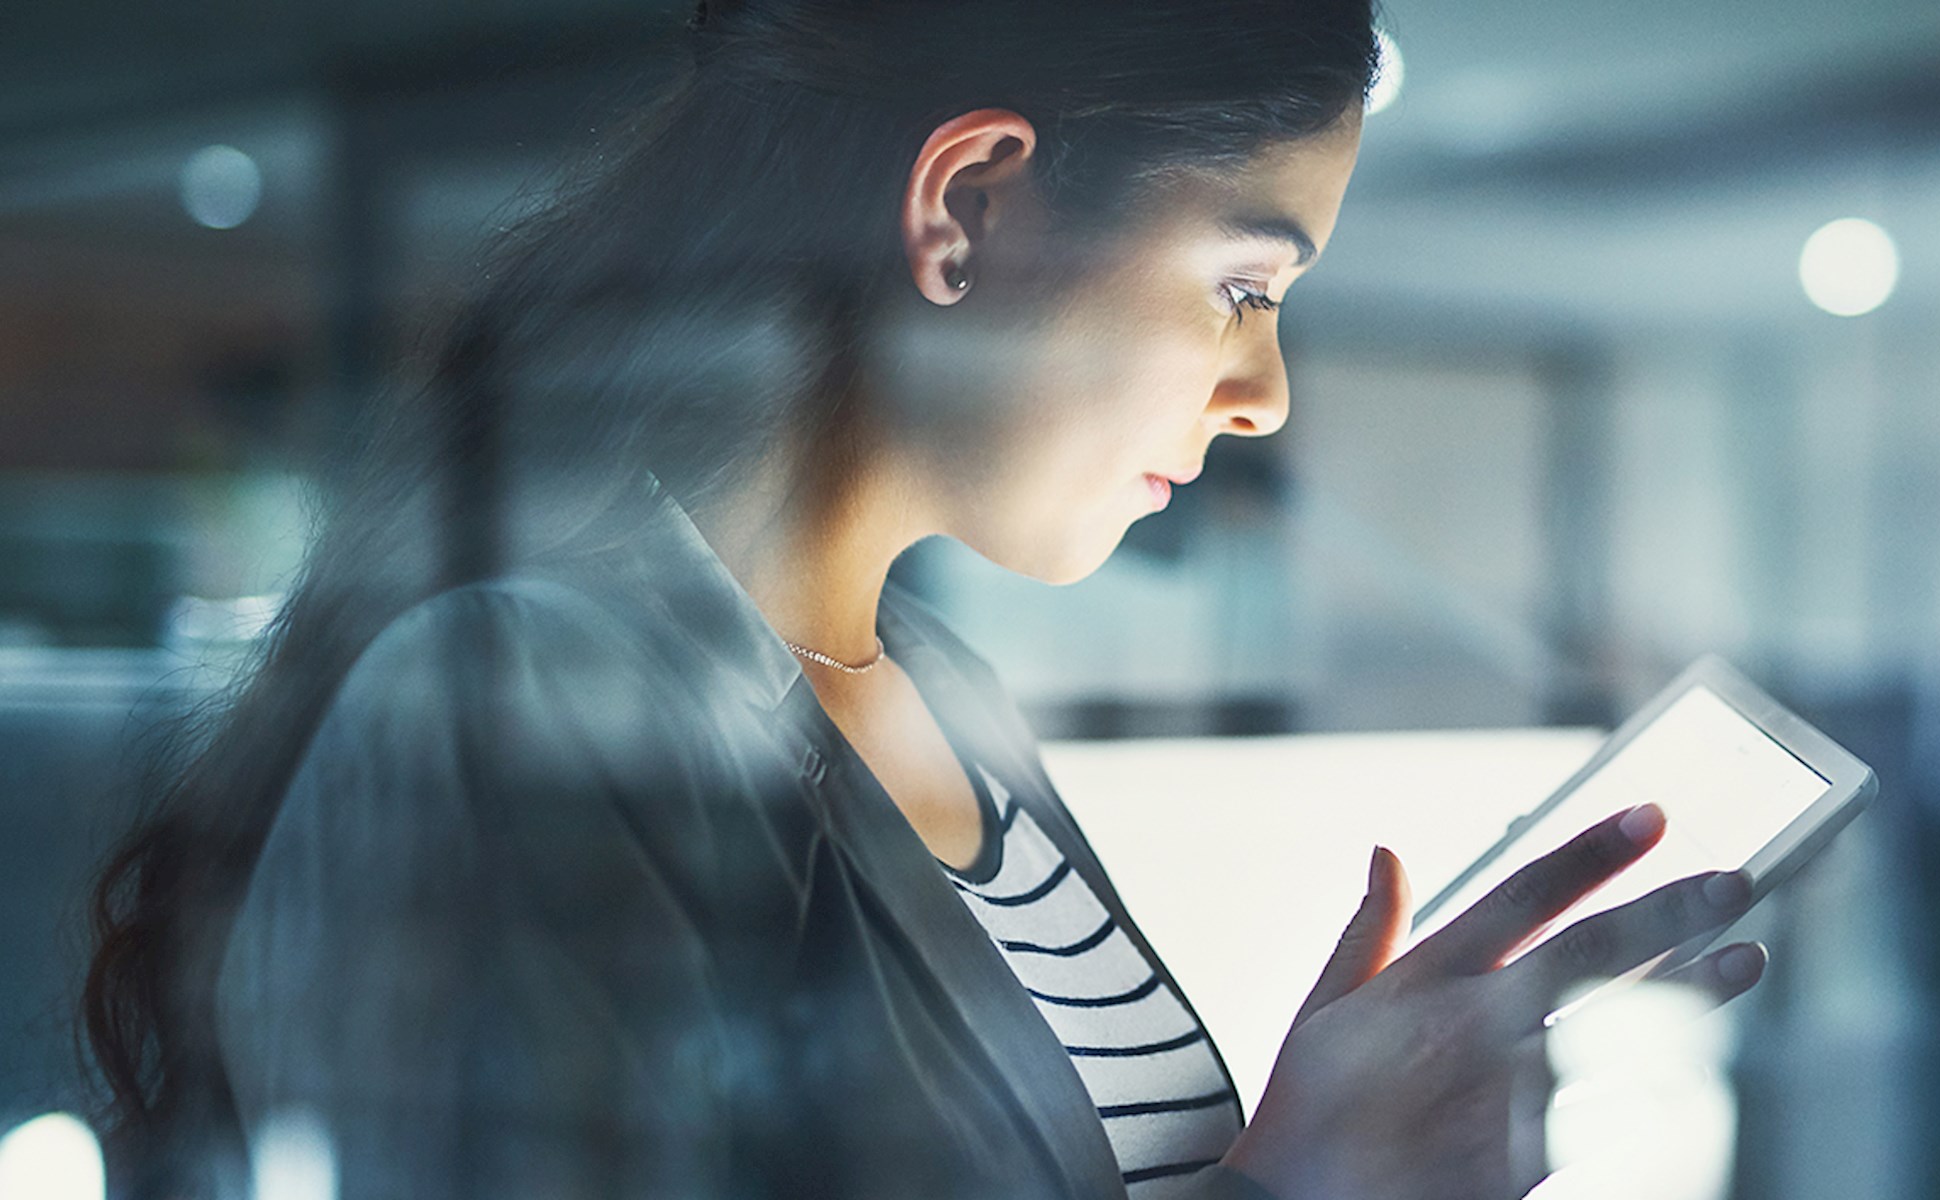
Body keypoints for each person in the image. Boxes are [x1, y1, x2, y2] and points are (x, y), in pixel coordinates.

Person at [82, 2, 1769, 1198]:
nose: (1262, 394)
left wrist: (1319, 1132)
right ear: (966, 207)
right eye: (1243, 284)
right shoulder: (522, 698)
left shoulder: (942, 697)